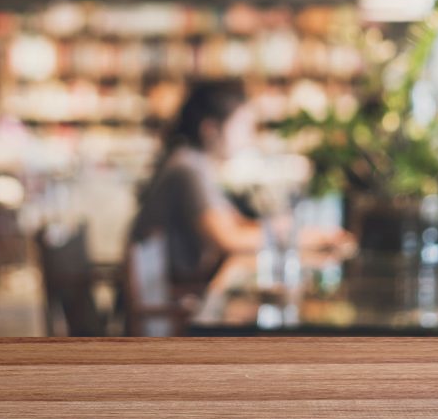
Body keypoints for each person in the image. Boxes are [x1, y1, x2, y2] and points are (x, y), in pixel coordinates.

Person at [130, 80, 355, 290]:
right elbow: (229, 239)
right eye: (243, 126)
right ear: (210, 129)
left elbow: (235, 224)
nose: (249, 138)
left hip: (179, 294)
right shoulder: (188, 169)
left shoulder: (193, 163)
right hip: (172, 306)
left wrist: (293, 231)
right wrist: (307, 237)